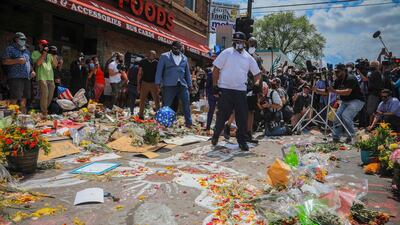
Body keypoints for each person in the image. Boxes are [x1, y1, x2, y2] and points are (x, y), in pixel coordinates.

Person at [211, 32, 262, 151]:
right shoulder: (226, 53)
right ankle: (216, 135)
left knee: (242, 117)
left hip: (240, 91)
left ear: (245, 43)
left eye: (240, 42)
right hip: (225, 89)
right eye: (235, 41)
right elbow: (216, 69)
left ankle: (242, 141)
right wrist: (214, 85)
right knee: (222, 115)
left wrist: (256, 84)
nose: (238, 44)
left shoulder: (248, 58)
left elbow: (257, 74)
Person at [155, 41, 193, 127]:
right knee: (166, 105)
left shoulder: (184, 58)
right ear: (173, 47)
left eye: (180, 48)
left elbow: (187, 73)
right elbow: (159, 71)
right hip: (169, 85)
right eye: (177, 48)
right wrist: (157, 83)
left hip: (182, 85)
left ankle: (189, 123)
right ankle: (163, 123)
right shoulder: (164, 56)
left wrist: (190, 85)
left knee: (186, 104)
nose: (179, 50)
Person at [326, 64, 365, 143]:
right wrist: (316, 90)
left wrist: (334, 91)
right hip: (345, 101)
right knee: (337, 116)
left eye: (338, 72)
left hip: (357, 100)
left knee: (346, 115)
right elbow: (328, 91)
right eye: (335, 72)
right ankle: (336, 137)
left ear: (344, 70)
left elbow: (347, 92)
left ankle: (352, 136)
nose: (336, 73)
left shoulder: (351, 78)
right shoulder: (337, 80)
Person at [1, 32, 35, 114]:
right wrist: (17, 60)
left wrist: (32, 71)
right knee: (15, 97)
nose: (24, 41)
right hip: (16, 77)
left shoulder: (26, 50)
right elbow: (4, 61)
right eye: (22, 39)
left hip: (26, 77)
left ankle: (23, 117)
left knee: (25, 98)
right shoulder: (10, 49)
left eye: (24, 39)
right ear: (16, 39)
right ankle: (12, 117)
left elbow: (29, 63)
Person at [31, 39, 58, 117]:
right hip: (41, 77)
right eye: (44, 45)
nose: (46, 46)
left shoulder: (50, 55)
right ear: (39, 45)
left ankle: (44, 110)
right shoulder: (35, 53)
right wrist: (43, 54)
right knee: (44, 94)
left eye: (46, 45)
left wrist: (54, 54)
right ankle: (44, 112)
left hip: (50, 77)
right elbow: (38, 64)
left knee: (50, 96)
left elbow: (55, 65)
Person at [137, 50, 160, 119]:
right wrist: (138, 84)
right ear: (148, 54)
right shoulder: (143, 61)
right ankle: (141, 115)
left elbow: (158, 74)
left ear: (155, 56)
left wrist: (158, 85)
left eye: (153, 54)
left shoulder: (157, 63)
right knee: (142, 99)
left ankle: (158, 115)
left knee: (156, 99)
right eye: (151, 54)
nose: (152, 55)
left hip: (153, 83)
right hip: (145, 82)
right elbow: (139, 73)